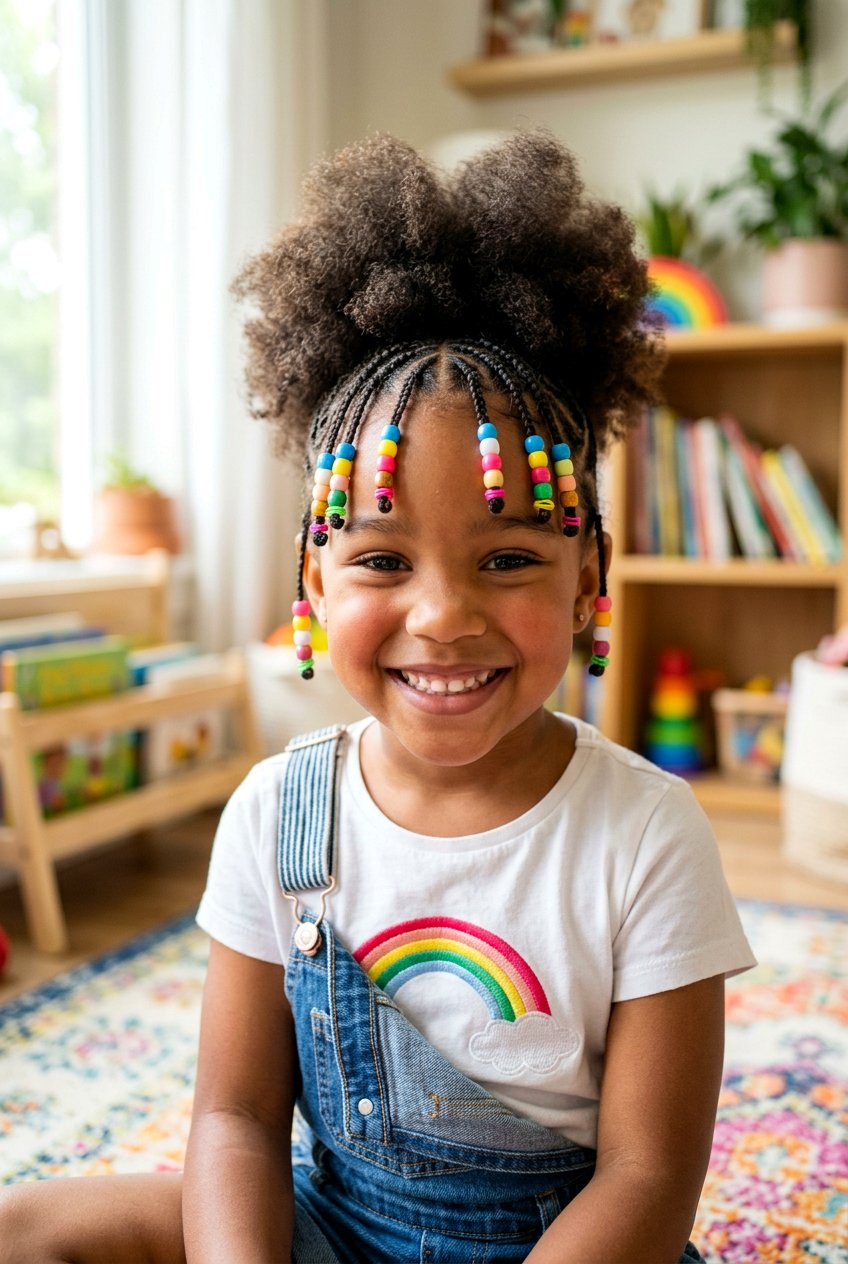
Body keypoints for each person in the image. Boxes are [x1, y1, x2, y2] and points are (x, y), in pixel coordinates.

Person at [0, 130, 755, 1264]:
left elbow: (648, 1177)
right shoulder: (274, 813)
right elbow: (237, 1119)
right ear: (313, 579)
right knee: (27, 1227)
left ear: (589, 578)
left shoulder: (645, 833)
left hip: (561, 1247)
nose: (442, 615)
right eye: (381, 560)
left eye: (506, 558)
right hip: (335, 1229)